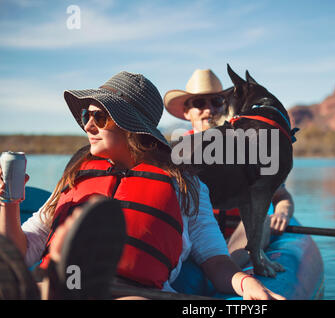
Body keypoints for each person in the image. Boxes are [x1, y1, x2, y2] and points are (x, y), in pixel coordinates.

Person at [0, 71, 284, 300]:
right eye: (87, 116)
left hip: (135, 294)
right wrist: (9, 203)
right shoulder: (77, 173)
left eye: (99, 117)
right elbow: (20, 252)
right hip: (54, 285)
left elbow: (214, 259)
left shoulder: (185, 184)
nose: (87, 126)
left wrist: (245, 284)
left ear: (129, 124)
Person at [164, 69, 295, 266]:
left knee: (261, 220)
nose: (209, 110)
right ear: (186, 112)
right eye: (199, 103)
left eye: (217, 102)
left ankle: (231, 268)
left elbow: (281, 196)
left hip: (234, 239)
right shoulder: (175, 152)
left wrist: (282, 212)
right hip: (191, 236)